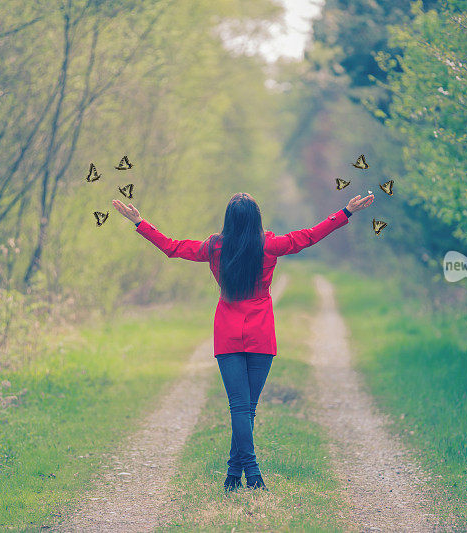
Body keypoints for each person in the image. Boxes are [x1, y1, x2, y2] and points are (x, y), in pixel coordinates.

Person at [112, 191, 375, 492]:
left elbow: (172, 248)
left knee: (240, 406)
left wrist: (140, 223)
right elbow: (310, 236)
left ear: (229, 221)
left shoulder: (214, 247)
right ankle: (252, 472)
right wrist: (346, 211)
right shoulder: (269, 245)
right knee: (247, 408)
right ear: (256, 220)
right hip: (261, 332)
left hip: (227, 332)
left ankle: (233, 473)